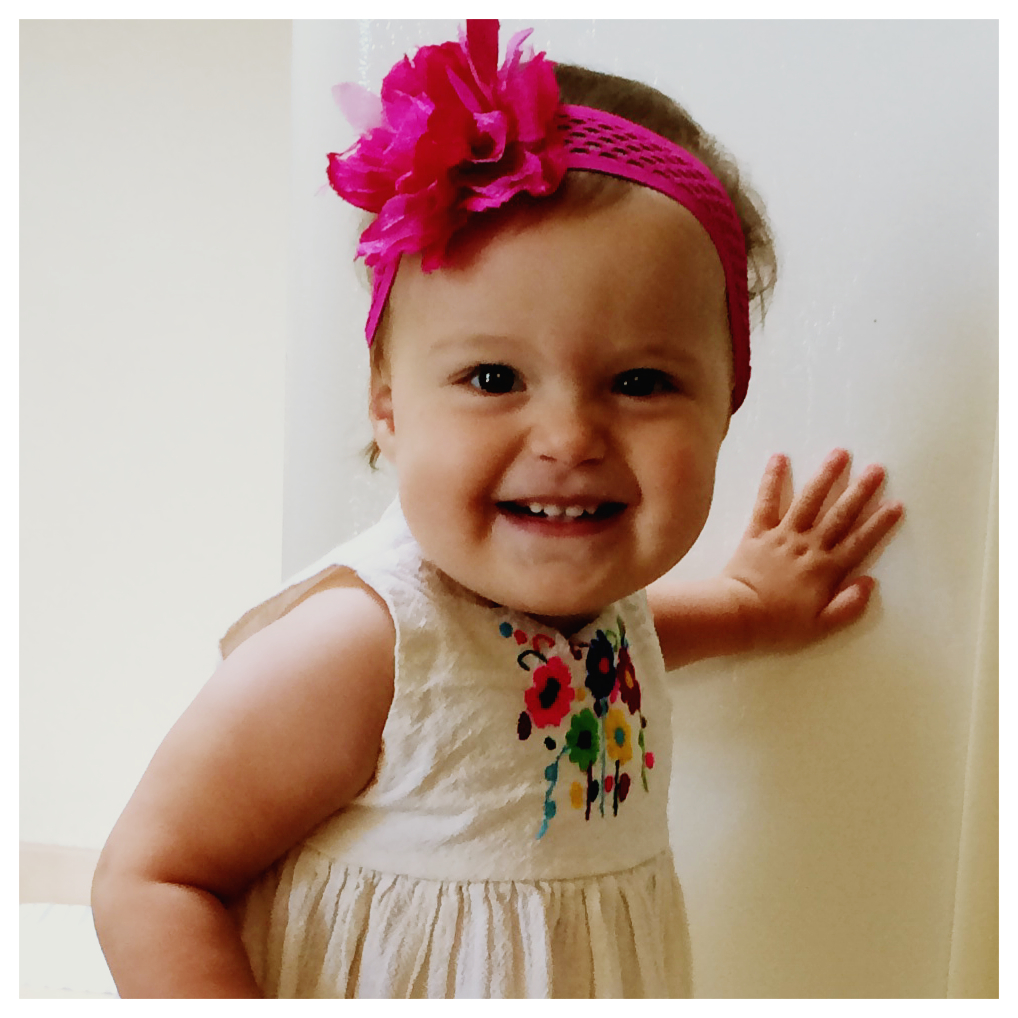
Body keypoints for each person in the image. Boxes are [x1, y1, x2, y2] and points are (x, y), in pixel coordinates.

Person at [91, 21, 904, 998]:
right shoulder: (359, 645)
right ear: (388, 406)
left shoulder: (606, 611)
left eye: (640, 381)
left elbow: (600, 652)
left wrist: (749, 609)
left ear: (727, 401)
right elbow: (151, 877)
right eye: (492, 377)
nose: (568, 437)